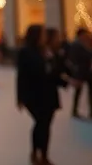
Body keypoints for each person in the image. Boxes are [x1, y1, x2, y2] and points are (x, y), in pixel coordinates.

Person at [16, 25, 69, 165]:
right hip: (33, 95)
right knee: (41, 123)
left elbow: (55, 72)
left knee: (45, 125)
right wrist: (20, 98)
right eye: (43, 34)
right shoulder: (25, 52)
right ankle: (36, 152)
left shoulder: (48, 51)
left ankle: (43, 154)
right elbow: (22, 76)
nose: (45, 37)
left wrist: (65, 81)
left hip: (49, 94)